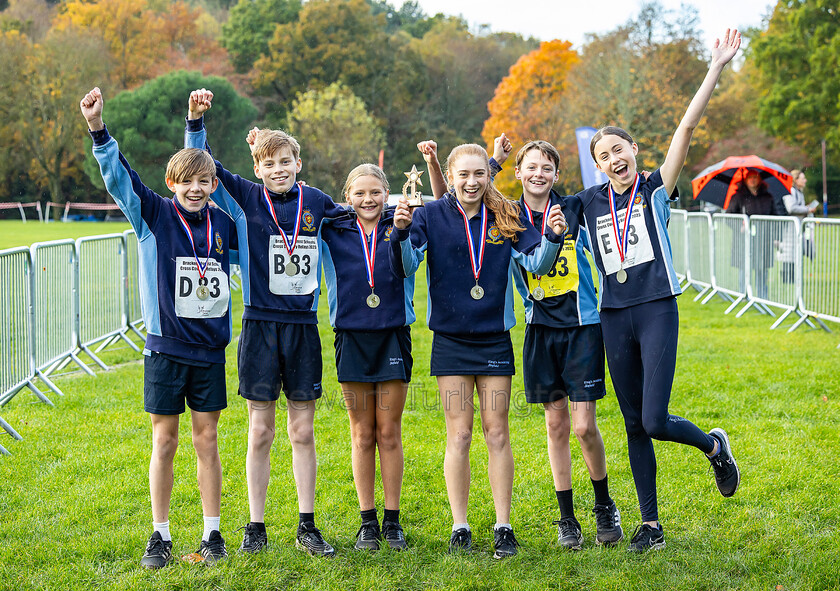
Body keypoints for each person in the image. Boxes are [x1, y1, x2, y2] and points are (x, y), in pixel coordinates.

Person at [579, 29, 743, 552]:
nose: (614, 159)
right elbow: (538, 204)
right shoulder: (587, 202)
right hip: (612, 314)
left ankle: (713, 445)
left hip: (654, 310)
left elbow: (688, 126)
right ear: (598, 163)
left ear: (633, 149)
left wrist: (715, 67)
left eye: (619, 149)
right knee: (632, 423)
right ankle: (651, 525)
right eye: (604, 155)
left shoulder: (654, 189)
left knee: (653, 417)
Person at [418, 138, 623, 550]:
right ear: (517, 172)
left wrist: (551, 236)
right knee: (543, 426)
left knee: (580, 427)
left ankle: (601, 505)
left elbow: (478, 189)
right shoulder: (506, 208)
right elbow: (458, 195)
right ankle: (562, 519)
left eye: (547, 168)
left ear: (557, 174)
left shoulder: (552, 210)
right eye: (531, 167)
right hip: (532, 330)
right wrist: (444, 162)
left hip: (578, 326)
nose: (538, 174)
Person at [185, 89, 345, 557]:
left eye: (285, 160)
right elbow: (204, 163)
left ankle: (307, 524)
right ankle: (255, 524)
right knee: (260, 429)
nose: (277, 168)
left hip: (301, 329)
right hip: (259, 327)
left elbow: (359, 219)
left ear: (299, 163)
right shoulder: (248, 197)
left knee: (302, 430)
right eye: (268, 162)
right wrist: (196, 121)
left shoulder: (316, 200)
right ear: (257, 169)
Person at [80, 87, 235, 568]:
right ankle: (160, 535)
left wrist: (195, 125)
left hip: (209, 350)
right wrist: (98, 129)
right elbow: (119, 179)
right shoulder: (152, 215)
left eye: (203, 181)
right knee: (164, 441)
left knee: (206, 441)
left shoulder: (226, 224)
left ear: (212, 184)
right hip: (165, 351)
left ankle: (212, 535)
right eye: (186, 181)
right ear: (171, 183)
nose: (195, 188)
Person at [390, 143, 567, 559]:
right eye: (463, 175)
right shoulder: (430, 215)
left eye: (479, 175)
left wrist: (555, 237)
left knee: (497, 431)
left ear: (490, 175)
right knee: (461, 433)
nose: (472, 182)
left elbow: (538, 263)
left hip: (493, 340)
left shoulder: (506, 214)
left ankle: (503, 525)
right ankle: (460, 525)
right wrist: (399, 231)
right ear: (449, 178)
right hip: (450, 341)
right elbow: (407, 265)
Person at [319, 164, 413, 551]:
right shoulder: (333, 227)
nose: (368, 200)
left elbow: (455, 197)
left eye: (376, 192)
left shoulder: (403, 222)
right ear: (347, 196)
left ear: (387, 194)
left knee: (389, 432)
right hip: (352, 338)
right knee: (362, 433)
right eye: (359, 193)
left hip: (392, 336)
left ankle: (392, 522)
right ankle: (367, 523)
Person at [726, 170, 785, 297]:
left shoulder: (768, 197)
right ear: (745, 180)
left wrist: (776, 238)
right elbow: (729, 217)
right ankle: (744, 295)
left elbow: (776, 217)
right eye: (750, 177)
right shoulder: (738, 197)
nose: (753, 180)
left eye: (755, 177)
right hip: (744, 240)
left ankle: (763, 296)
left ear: (759, 180)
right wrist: (739, 226)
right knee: (744, 267)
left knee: (762, 269)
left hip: (764, 239)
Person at [779, 169, 817, 281]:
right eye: (803, 178)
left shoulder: (799, 192)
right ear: (796, 180)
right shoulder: (791, 191)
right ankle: (787, 279)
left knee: (796, 253)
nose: (805, 180)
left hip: (798, 228)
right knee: (788, 254)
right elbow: (791, 208)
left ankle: (794, 279)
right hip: (790, 228)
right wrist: (807, 209)